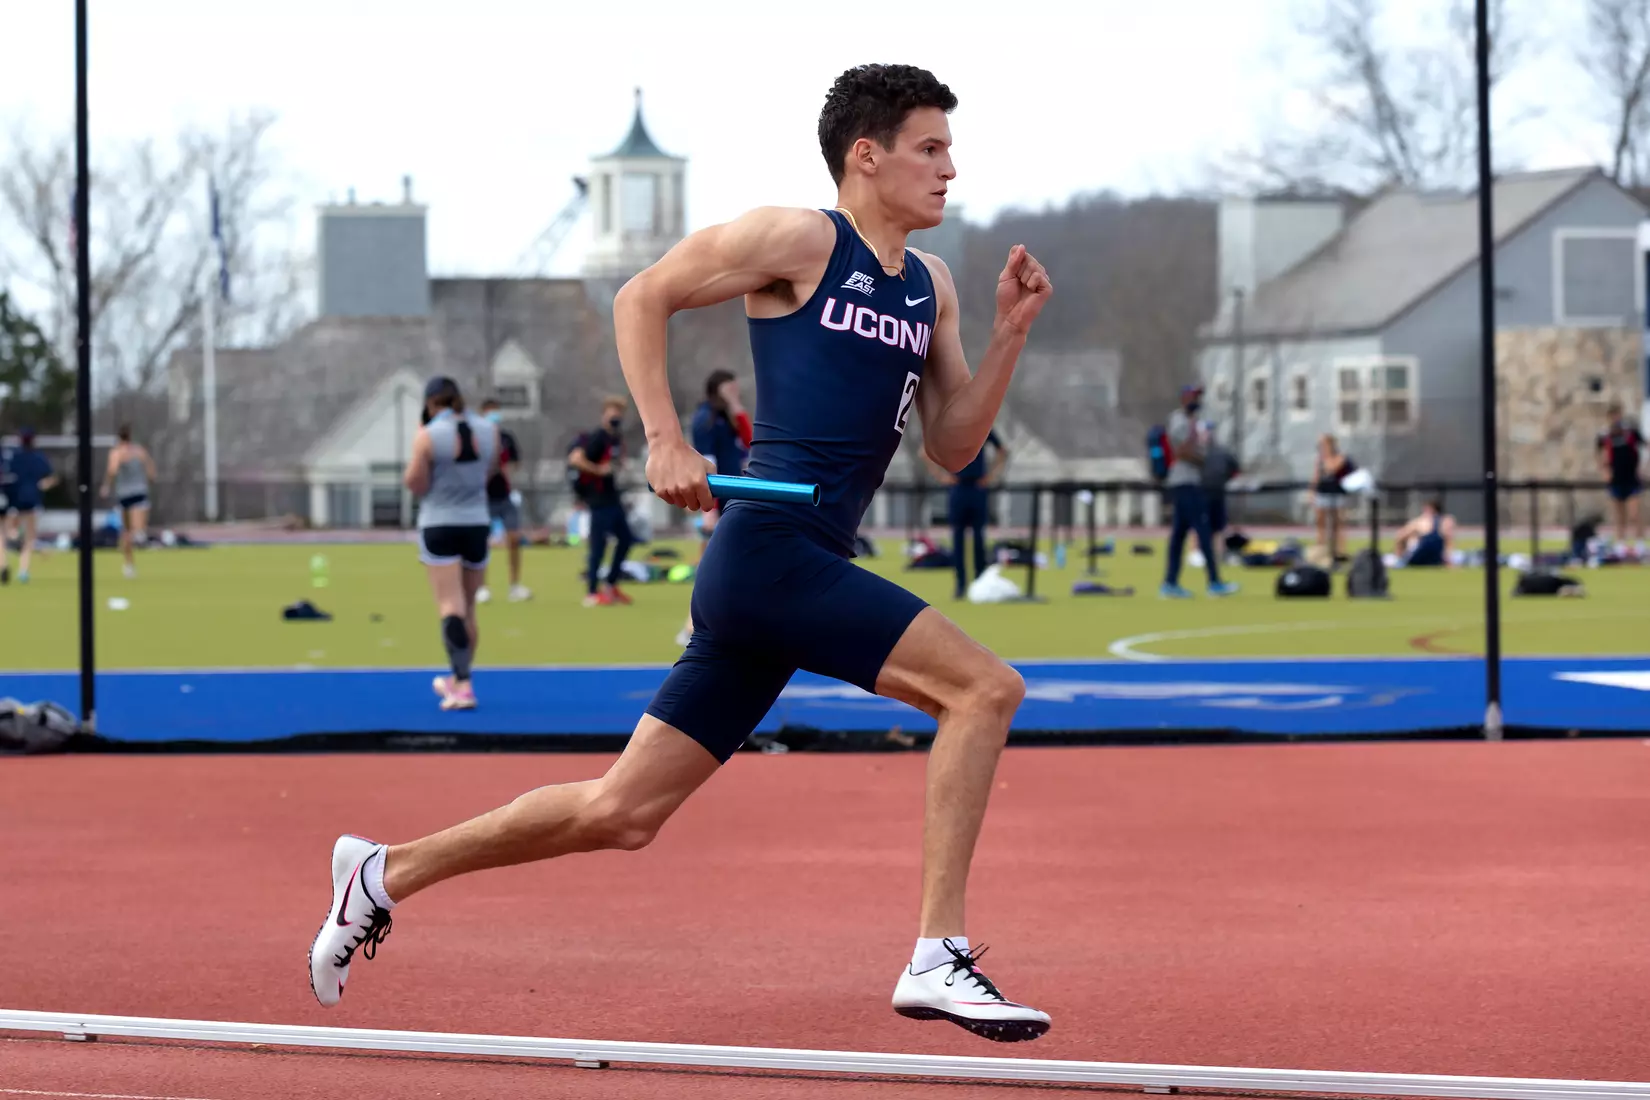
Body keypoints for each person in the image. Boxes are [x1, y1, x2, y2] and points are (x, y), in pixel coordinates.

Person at [309, 63, 1055, 1042]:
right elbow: (640, 296)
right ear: (865, 155)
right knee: (983, 689)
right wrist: (664, 435)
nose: (950, 168)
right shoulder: (798, 240)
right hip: (772, 551)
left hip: (794, 565)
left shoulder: (933, 286)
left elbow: (954, 445)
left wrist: (1007, 336)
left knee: (622, 810)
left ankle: (384, 869)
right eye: (931, 147)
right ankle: (936, 954)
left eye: (950, 149)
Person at [406, 376, 500, 712]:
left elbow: (415, 483)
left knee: (450, 606)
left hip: (439, 521)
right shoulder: (490, 430)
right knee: (469, 609)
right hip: (476, 521)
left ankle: (461, 685)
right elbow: (490, 472)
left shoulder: (428, 435)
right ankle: (461, 676)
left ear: (431, 404)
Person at [677, 370, 754, 645]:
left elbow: (750, 442)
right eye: (729, 389)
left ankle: (717, 621)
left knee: (731, 561)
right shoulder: (705, 419)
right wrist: (708, 508)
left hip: (735, 493)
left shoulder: (727, 417)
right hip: (717, 497)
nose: (734, 392)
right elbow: (706, 462)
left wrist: (737, 407)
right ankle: (691, 625)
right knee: (711, 563)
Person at [1161, 386, 1238, 599]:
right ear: (1185, 398)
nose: (1198, 400)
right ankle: (1214, 582)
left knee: (1179, 534)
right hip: (1185, 482)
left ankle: (1170, 582)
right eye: (1195, 396)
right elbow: (1182, 450)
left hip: (1190, 481)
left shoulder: (1194, 421)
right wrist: (1203, 460)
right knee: (1203, 530)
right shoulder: (1180, 421)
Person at [567, 396, 636, 607]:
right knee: (599, 544)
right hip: (598, 499)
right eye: (612, 411)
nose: (615, 416)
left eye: (619, 412)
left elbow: (614, 464)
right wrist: (598, 471)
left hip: (612, 496)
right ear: (604, 413)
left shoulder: (616, 439)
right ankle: (591, 591)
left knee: (626, 539)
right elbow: (576, 459)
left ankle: (611, 583)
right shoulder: (597, 437)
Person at [927, 428, 1006, 599]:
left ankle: (980, 581)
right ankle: (960, 584)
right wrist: (941, 476)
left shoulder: (981, 426)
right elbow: (924, 451)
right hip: (958, 487)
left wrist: (991, 476)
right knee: (958, 539)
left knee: (979, 538)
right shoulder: (950, 428)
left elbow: (1002, 451)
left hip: (977, 486)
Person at [475, 398, 531, 604]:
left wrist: (509, 471)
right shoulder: (477, 438)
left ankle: (514, 585)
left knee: (514, 538)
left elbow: (516, 462)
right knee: (481, 542)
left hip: (505, 495)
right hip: (483, 497)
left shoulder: (506, 438)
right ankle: (481, 586)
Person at [0, 428, 58, 585]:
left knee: (4, 534)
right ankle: (23, 570)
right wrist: (41, 486)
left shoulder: (12, 457)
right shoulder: (39, 457)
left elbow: (6, 477)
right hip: (31, 500)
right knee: (29, 537)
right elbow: (51, 478)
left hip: (13, 500)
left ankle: (4, 561)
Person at [98, 425, 155, 580]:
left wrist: (106, 486)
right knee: (129, 531)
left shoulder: (117, 452)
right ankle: (130, 561)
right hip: (137, 492)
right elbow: (150, 470)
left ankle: (129, 563)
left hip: (126, 493)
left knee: (128, 531)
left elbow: (112, 470)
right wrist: (150, 478)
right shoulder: (139, 451)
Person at [1596, 402, 1645, 550]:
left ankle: (1639, 542)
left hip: (1631, 477)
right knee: (1618, 514)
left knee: (1634, 513)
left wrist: (1643, 468)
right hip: (1616, 478)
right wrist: (1605, 471)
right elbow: (1599, 454)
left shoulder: (1630, 432)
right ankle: (1620, 542)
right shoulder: (1605, 435)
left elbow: (1644, 446)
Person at [1312, 434, 1355, 564]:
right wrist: (1312, 491)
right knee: (1321, 523)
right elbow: (1316, 476)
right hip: (1322, 493)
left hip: (1337, 493)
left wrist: (1326, 458)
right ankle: (1321, 549)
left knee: (1338, 523)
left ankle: (1339, 550)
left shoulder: (1339, 457)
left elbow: (1332, 468)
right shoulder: (1319, 459)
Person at [1393, 497, 1454, 567]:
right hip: (1437, 559)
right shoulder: (1447, 520)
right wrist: (1449, 561)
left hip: (1417, 557)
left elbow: (1400, 536)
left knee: (1412, 541)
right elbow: (1448, 542)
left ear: (1429, 509)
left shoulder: (1420, 521)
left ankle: (1399, 560)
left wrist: (1399, 556)